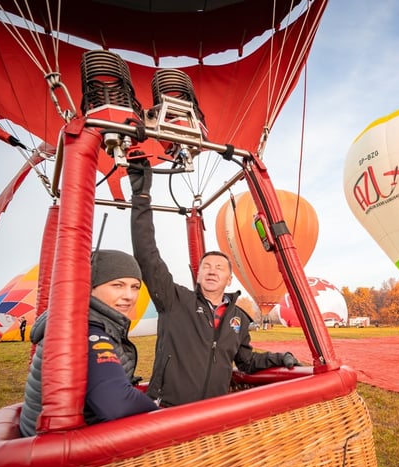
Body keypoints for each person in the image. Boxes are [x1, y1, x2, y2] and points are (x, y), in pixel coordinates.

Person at [128, 156, 298, 408]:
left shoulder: (237, 319)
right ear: (198, 275)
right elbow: (147, 255)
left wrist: (279, 357)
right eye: (206, 266)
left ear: (229, 278)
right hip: (169, 409)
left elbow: (246, 362)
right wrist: (141, 198)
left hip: (213, 415)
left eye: (219, 268)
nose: (211, 271)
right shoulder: (174, 300)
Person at [18, 249, 160, 437]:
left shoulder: (81, 320)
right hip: (56, 453)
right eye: (118, 285)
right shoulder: (88, 330)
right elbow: (115, 402)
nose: (129, 295)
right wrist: (160, 412)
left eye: (135, 287)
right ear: (90, 286)